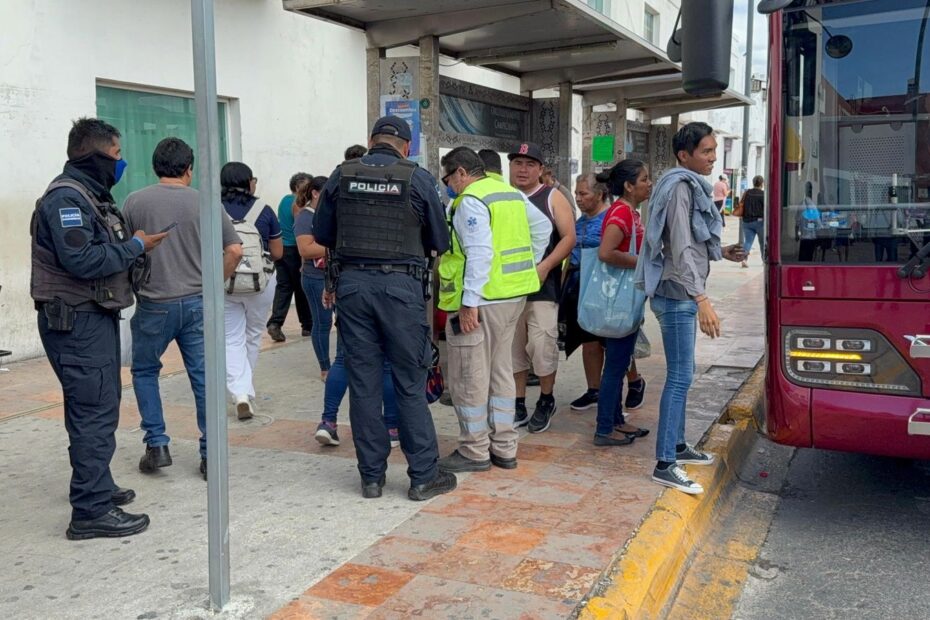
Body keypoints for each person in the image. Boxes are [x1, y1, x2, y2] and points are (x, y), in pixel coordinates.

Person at [31, 117, 166, 539]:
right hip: (76, 321)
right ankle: (90, 511)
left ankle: (98, 485)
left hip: (92, 316)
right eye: (116, 154)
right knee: (93, 410)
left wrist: (130, 245)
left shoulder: (91, 196)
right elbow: (83, 260)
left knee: (98, 405)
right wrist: (136, 246)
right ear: (94, 156)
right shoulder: (66, 200)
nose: (121, 162)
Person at [312, 115, 456, 501]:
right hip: (401, 290)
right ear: (406, 146)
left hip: (353, 288)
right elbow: (440, 241)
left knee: (363, 383)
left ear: (371, 140)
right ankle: (423, 477)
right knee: (409, 381)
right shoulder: (417, 178)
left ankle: (371, 478)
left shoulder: (341, 175)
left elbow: (323, 234)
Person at [635, 122, 746, 495]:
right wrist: (702, 300)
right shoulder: (681, 188)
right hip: (677, 294)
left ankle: (679, 445)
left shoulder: (686, 184)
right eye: (706, 151)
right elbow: (680, 247)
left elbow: (690, 242)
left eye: (714, 150)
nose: (713, 158)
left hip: (679, 290)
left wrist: (722, 252)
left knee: (684, 372)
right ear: (685, 155)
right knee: (680, 376)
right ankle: (666, 463)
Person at [123, 138, 243, 481]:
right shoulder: (206, 202)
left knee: (145, 371)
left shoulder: (134, 201)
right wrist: (213, 285)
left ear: (154, 167)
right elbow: (234, 251)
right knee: (204, 377)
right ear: (189, 169)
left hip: (153, 304)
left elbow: (124, 250)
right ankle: (210, 454)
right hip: (197, 304)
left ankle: (157, 444)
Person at [436, 146, 552, 473]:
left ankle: (474, 450)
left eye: (448, 178)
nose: (449, 185)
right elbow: (543, 228)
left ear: (461, 172)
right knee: (501, 370)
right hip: (512, 296)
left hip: (482, 300)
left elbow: (480, 252)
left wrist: (469, 301)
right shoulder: (510, 194)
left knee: (468, 375)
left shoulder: (471, 200)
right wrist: (527, 264)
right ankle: (504, 446)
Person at [296, 176, 402, 448]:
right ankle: (391, 428)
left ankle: (328, 422)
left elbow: (333, 254)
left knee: (343, 359)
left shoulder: (344, 214)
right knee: (387, 361)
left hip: (351, 292)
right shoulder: (396, 212)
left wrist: (331, 285)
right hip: (389, 291)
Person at [563, 173, 647, 413]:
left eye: (583, 193)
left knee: (614, 340)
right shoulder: (579, 222)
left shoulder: (612, 218)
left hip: (609, 287)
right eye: (576, 193)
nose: (578, 198)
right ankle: (594, 389)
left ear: (600, 194)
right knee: (588, 339)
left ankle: (634, 381)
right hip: (582, 287)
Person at [508, 142, 576, 433]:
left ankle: (546, 399)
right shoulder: (505, 196)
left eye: (530, 164)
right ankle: (518, 401)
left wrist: (545, 266)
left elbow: (569, 237)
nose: (523, 169)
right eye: (518, 163)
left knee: (541, 344)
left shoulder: (551, 197)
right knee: (513, 349)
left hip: (542, 288)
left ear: (540, 169)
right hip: (509, 288)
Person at [592, 160, 652, 447]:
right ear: (629, 186)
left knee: (620, 361)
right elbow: (606, 252)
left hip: (626, 298)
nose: (649, 184)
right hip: (618, 300)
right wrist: (641, 263)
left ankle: (616, 421)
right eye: (644, 179)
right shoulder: (621, 213)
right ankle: (604, 428)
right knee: (615, 366)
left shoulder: (630, 212)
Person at [221, 162, 283, 418]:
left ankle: (241, 393)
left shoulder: (213, 209)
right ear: (248, 182)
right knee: (253, 334)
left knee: (231, 338)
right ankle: (245, 391)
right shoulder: (264, 209)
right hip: (260, 283)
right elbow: (278, 252)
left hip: (225, 280)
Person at [294, 176, 334, 379]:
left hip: (334, 275)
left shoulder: (329, 213)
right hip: (315, 277)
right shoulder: (305, 217)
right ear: (315, 193)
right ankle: (325, 367)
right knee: (322, 322)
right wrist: (336, 246)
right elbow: (305, 249)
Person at [266, 172, 314, 343]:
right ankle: (307, 325)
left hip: (282, 248)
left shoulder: (284, 200)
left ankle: (275, 323)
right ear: (297, 187)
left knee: (284, 286)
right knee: (301, 287)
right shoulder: (298, 204)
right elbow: (301, 228)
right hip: (295, 249)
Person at [738, 175, 765, 268]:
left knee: (748, 242)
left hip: (747, 221)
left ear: (753, 183)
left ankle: (744, 259)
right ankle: (764, 260)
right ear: (762, 184)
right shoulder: (763, 194)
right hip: (760, 222)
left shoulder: (747, 193)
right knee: (762, 242)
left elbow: (741, 204)